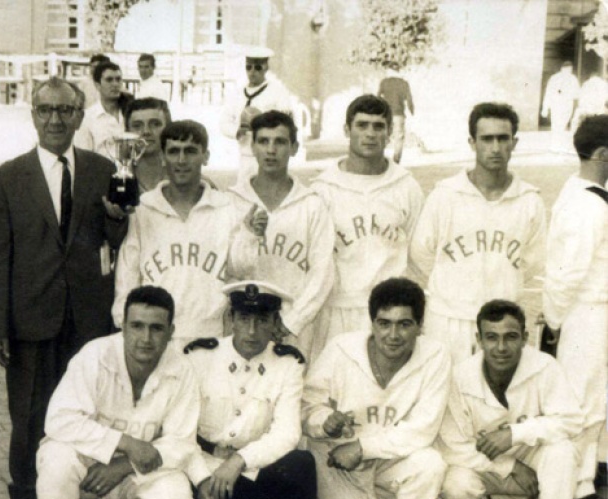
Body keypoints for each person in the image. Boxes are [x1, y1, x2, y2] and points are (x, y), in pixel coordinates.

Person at [0, 76, 128, 499]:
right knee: (28, 418)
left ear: (80, 117)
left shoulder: (105, 168)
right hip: (30, 320)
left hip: (87, 320)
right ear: (32, 116)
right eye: (46, 110)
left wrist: (116, 220)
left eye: (65, 111)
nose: (55, 119)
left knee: (93, 414)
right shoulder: (7, 177)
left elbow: (118, 243)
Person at [36, 286, 197, 499]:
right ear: (122, 326)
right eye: (137, 326)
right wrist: (123, 444)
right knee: (55, 459)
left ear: (171, 333)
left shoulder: (182, 369)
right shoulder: (94, 356)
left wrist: (125, 464)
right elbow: (57, 420)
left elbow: (183, 442)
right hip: (86, 465)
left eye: (156, 328)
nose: (146, 338)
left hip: (133, 470)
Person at [302, 278, 449, 499]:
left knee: (430, 463)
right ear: (372, 322)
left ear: (420, 325)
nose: (392, 335)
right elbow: (307, 407)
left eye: (404, 324)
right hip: (336, 462)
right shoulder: (341, 349)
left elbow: (422, 429)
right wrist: (325, 420)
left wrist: (362, 448)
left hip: (383, 460)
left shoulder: (436, 356)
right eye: (384, 323)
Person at [184, 281, 320, 499]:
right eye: (244, 319)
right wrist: (200, 478)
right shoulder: (200, 357)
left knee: (300, 464)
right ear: (230, 319)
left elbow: (287, 432)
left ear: (275, 323)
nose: (251, 330)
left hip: (253, 467)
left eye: (262, 320)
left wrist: (239, 460)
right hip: (207, 465)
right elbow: (181, 429)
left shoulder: (288, 364)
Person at [437, 300, 582, 499]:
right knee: (455, 485)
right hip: (489, 462)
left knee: (562, 452)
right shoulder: (460, 376)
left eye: (510, 337)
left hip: (532, 454)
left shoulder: (545, 366)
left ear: (525, 338)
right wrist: (510, 466)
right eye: (491, 337)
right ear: (478, 339)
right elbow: (452, 445)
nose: (501, 348)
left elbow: (572, 420)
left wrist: (515, 434)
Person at [410, 102, 546, 364]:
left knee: (498, 401)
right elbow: (421, 253)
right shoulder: (445, 195)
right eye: (487, 139)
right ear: (472, 142)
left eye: (503, 139)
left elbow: (533, 261)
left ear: (514, 143)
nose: (495, 148)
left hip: (501, 327)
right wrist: (454, 286)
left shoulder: (529, 200)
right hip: (449, 321)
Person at [112, 120, 245, 346]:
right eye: (174, 151)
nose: (181, 160)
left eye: (191, 151)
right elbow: (127, 274)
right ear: (163, 157)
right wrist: (124, 325)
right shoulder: (142, 208)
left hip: (212, 337)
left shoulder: (228, 208)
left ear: (206, 156)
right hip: (155, 337)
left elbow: (241, 271)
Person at [310, 95, 423, 355]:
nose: (370, 134)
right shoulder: (323, 189)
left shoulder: (406, 186)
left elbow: (419, 257)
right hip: (337, 311)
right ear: (347, 130)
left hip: (389, 315)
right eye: (362, 125)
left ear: (390, 132)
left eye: (378, 126)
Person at [542, 114, 608, 499]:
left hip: (592, 312)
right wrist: (556, 319)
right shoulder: (588, 206)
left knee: (595, 397)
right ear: (602, 154)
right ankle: (573, 483)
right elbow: (569, 272)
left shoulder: (584, 192)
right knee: (582, 400)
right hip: (587, 313)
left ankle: (586, 472)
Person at [228, 110, 335, 359]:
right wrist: (248, 234)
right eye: (263, 141)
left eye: (280, 142)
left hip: (294, 327)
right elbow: (230, 269)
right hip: (245, 325)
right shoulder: (233, 200)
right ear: (252, 146)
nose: (271, 150)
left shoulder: (312, 204)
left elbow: (323, 272)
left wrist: (291, 321)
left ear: (294, 147)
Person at [219, 47, 292, 187]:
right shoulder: (237, 93)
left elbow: (287, 123)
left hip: (269, 156)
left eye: (258, 67)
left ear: (266, 68)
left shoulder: (277, 92)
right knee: (243, 196)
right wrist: (237, 130)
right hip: (246, 156)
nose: (252, 72)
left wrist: (264, 123)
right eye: (249, 67)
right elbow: (224, 122)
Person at [75, 61, 126, 159]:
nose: (115, 84)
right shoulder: (87, 118)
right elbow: (83, 157)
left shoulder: (129, 113)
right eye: (109, 80)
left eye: (118, 79)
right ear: (97, 85)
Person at [124, 97, 172, 194]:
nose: (146, 131)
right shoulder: (116, 179)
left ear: (168, 129)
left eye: (155, 124)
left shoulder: (187, 179)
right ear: (127, 132)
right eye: (137, 126)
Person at [377, 65, 414, 164]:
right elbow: (409, 100)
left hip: (385, 113)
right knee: (399, 137)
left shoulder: (384, 82)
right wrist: (412, 111)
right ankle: (396, 160)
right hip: (398, 114)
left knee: (382, 135)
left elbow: (378, 97)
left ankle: (379, 158)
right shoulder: (404, 83)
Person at [541, 61, 579, 152]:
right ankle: (555, 145)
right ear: (562, 69)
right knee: (556, 125)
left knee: (562, 125)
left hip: (566, 106)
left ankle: (558, 145)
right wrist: (545, 108)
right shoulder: (555, 78)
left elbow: (577, 94)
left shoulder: (573, 79)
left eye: (570, 70)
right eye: (566, 69)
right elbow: (548, 93)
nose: (568, 71)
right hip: (557, 105)